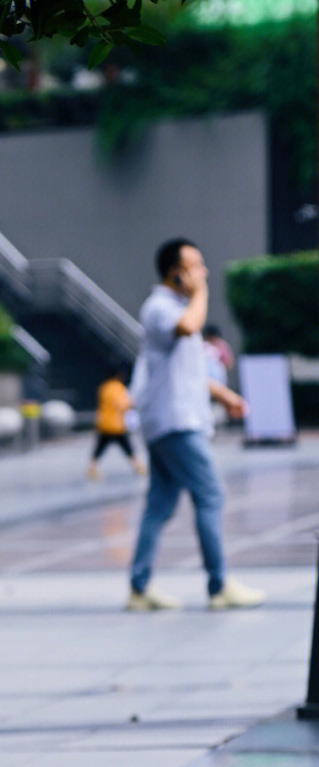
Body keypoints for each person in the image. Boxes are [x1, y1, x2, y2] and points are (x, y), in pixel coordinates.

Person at [126, 239, 265, 612]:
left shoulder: (174, 308)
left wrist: (223, 395)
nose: (202, 272)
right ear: (175, 272)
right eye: (195, 266)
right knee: (211, 495)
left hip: (172, 419)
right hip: (175, 422)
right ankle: (219, 584)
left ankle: (139, 588)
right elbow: (189, 327)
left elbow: (187, 374)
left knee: (160, 503)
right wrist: (200, 293)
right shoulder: (160, 307)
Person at [87, 370, 146, 478]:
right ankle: (138, 466)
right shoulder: (118, 387)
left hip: (104, 423)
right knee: (127, 447)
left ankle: (92, 467)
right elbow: (123, 404)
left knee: (100, 447)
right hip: (116, 424)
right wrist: (132, 403)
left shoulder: (104, 387)